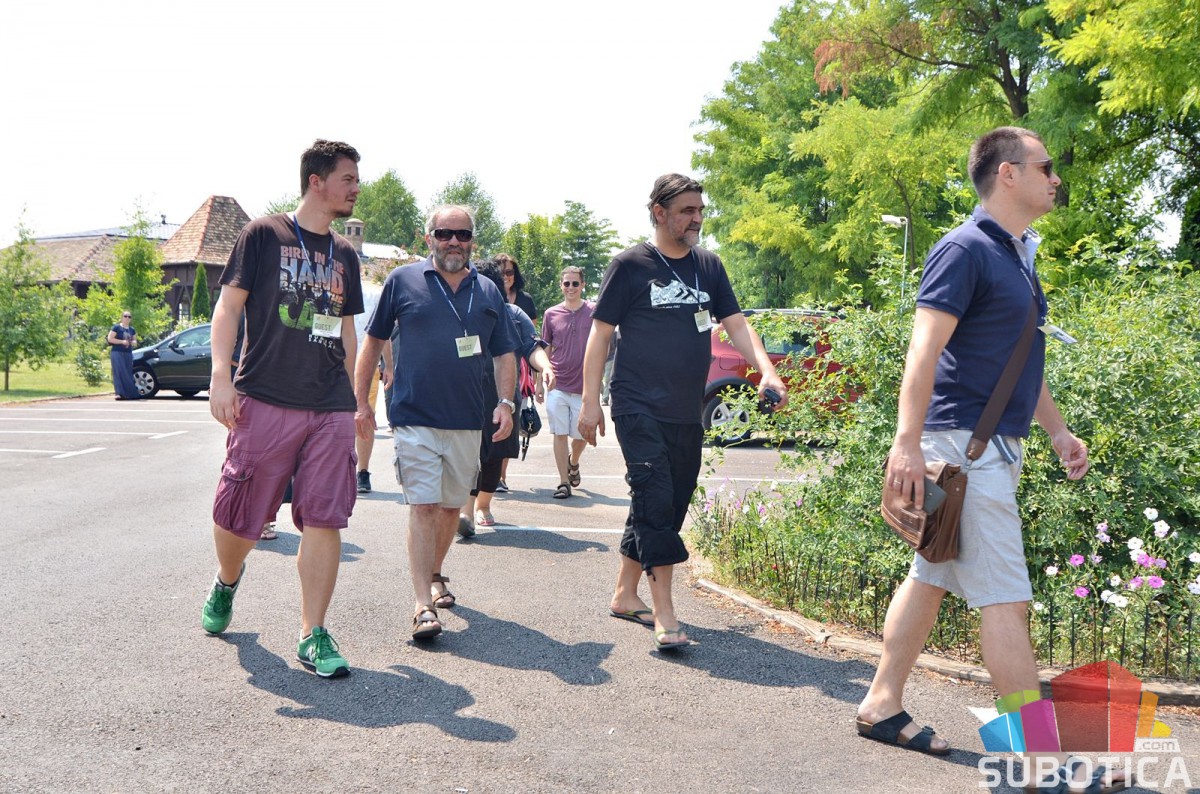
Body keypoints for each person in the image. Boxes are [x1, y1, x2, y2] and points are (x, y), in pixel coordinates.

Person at [856, 128, 1115, 791]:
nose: (1055, 178)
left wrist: (1057, 431)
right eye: (1045, 167)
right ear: (1008, 173)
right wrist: (905, 443)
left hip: (983, 445)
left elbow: (1019, 358)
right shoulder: (964, 249)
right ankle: (1037, 762)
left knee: (930, 575)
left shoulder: (1016, 254)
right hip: (963, 450)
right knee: (1006, 599)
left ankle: (881, 701)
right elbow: (923, 350)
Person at [578, 174, 787, 651]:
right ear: (659, 212)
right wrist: (590, 402)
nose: (697, 219)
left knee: (669, 501)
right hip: (637, 404)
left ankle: (625, 594)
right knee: (654, 495)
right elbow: (600, 334)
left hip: (685, 409)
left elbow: (736, 323)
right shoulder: (630, 265)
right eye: (687, 211)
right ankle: (665, 613)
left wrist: (768, 371)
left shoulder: (708, 266)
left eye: (700, 210)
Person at [200, 139, 364, 680]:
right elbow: (229, 307)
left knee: (325, 515)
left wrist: (354, 399)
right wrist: (221, 377)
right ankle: (227, 579)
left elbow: (346, 329)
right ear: (317, 181)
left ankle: (313, 632)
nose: (355, 188)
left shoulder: (345, 254)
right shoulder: (264, 235)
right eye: (347, 178)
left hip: (329, 404)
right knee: (240, 514)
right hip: (266, 395)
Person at [355, 205, 518, 641]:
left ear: (472, 240)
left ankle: (434, 572)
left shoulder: (488, 290)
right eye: (444, 233)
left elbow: (505, 352)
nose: (454, 242)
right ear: (429, 238)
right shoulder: (402, 280)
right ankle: (422, 605)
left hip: (468, 418)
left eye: (462, 234)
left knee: (449, 509)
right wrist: (361, 404)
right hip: (414, 415)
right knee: (424, 505)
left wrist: (506, 403)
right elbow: (372, 341)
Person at [460, 259, 554, 535]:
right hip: (467, 395)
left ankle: (483, 505)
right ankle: (466, 511)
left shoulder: (512, 314)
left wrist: (545, 366)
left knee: (495, 454)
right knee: (468, 452)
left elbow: (531, 346)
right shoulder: (461, 311)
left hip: (503, 397)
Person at [539, 265, 594, 499]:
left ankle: (574, 461)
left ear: (583, 285)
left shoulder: (593, 311)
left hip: (585, 386)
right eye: (566, 283)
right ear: (561, 285)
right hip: (557, 384)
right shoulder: (551, 314)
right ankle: (563, 482)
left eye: (575, 283)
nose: (570, 287)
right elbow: (545, 348)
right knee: (559, 433)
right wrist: (539, 379)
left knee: (581, 435)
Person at [495, 252, 536, 493]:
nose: (505, 276)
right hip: (488, 367)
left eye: (509, 272)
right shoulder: (484, 296)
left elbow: (532, 341)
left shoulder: (524, 301)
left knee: (509, 419)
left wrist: (536, 374)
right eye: (501, 272)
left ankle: (500, 476)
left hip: (517, 367)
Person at [107, 311, 140, 400]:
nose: (127, 318)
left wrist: (133, 342)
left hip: (128, 353)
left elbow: (135, 340)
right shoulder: (116, 327)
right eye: (125, 316)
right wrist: (122, 342)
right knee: (118, 372)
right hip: (117, 352)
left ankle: (129, 393)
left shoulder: (132, 329)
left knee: (127, 372)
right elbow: (110, 339)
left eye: (129, 317)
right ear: (122, 317)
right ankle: (119, 393)